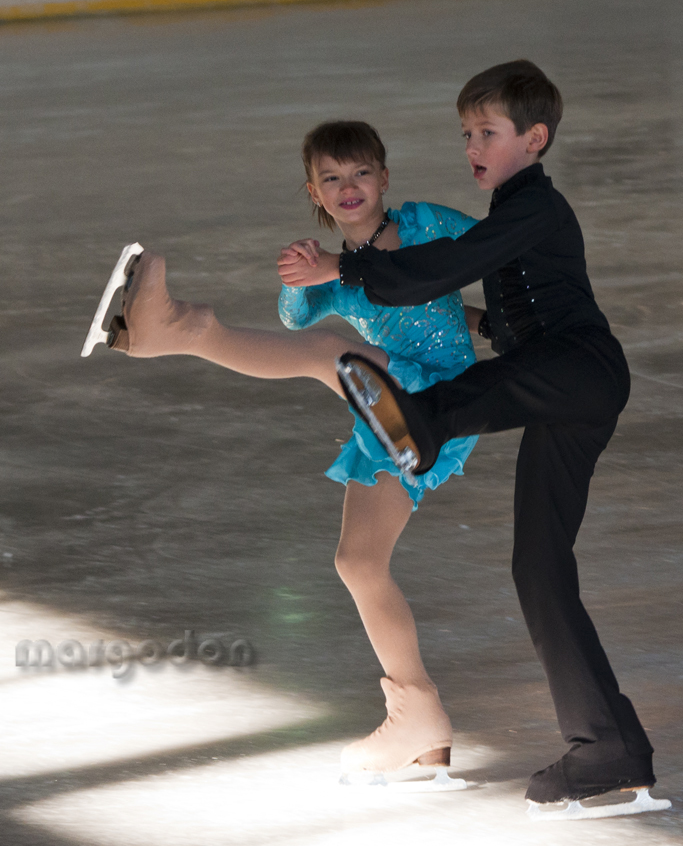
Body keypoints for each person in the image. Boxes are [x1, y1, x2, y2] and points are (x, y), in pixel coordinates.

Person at [277, 63, 659, 810]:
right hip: (558, 386)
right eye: (465, 134)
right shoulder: (509, 213)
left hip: (577, 368)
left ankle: (418, 425)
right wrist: (476, 322)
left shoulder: (534, 206)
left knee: (461, 398)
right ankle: (608, 748)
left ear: (534, 139)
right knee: (537, 567)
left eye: (487, 133)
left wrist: (340, 266)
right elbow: (482, 298)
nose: (471, 147)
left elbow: (441, 269)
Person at [89, 120, 481, 778]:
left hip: (439, 397)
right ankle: (418, 716)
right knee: (358, 562)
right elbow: (293, 318)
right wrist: (302, 275)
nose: (348, 186)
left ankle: (182, 328)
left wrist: (511, 319)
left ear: (385, 178)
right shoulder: (334, 271)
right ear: (314, 194)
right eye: (332, 178)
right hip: (392, 413)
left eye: (360, 172)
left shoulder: (424, 224)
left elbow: (489, 251)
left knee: (328, 354)